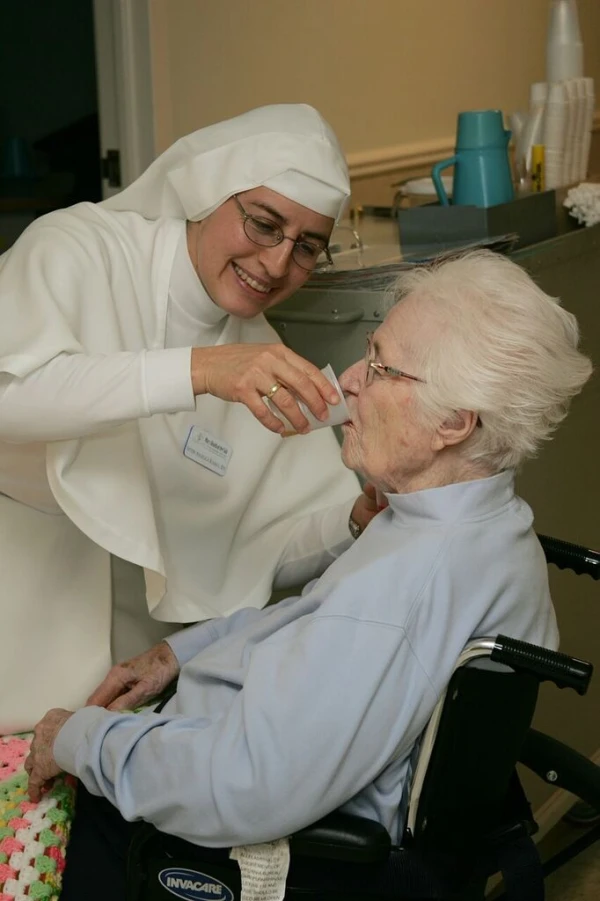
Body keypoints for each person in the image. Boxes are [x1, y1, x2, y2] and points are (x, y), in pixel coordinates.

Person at [25, 250, 592, 900]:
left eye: (379, 365)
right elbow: (312, 615)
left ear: (454, 423)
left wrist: (81, 738)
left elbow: (241, 785)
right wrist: (177, 652)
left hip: (221, 829)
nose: (349, 378)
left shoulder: (401, 591)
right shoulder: (485, 526)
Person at [0, 104, 382, 733]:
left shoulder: (261, 350)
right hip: (24, 605)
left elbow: (255, 547)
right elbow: (13, 396)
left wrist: (349, 518)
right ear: (209, 192)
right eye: (263, 224)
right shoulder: (75, 247)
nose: (278, 264)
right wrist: (198, 370)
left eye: (307, 247)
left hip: (130, 666)